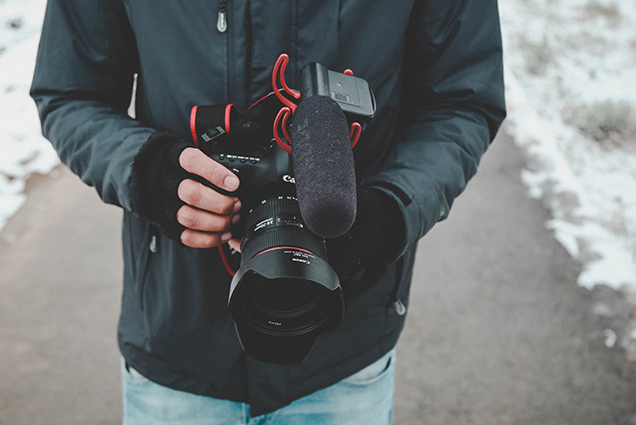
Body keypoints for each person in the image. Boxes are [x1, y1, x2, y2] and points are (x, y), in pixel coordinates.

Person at [30, 0, 505, 423]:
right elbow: (70, 92)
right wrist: (147, 172)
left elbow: (461, 100)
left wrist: (389, 213)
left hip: (343, 347)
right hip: (178, 338)